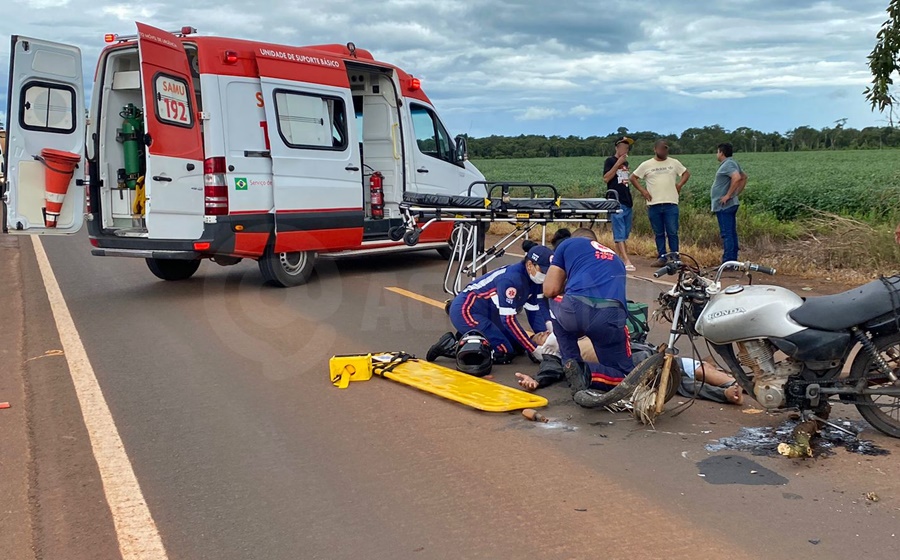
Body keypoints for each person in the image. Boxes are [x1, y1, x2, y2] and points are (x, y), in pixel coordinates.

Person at [541, 228, 634, 406]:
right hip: (613, 317)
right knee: (624, 375)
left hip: (577, 310)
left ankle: (573, 364)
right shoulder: (615, 257)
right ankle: (594, 374)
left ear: (574, 238)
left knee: (554, 300)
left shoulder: (567, 244)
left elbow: (550, 289)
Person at [427, 245, 553, 365]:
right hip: (467, 310)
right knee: (504, 351)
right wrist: (534, 349)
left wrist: (549, 335)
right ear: (530, 265)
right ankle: (450, 346)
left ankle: (472, 336)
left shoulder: (534, 280)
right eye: (544, 270)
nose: (547, 275)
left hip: (488, 313)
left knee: (519, 346)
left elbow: (535, 312)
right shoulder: (512, 280)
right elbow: (508, 320)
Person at [630, 140, 691, 267]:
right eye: (661, 149)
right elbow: (633, 177)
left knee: (672, 232)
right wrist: (643, 191)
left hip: (671, 204)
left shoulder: (674, 162)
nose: (664, 151)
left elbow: (686, 173)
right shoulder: (647, 164)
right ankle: (662, 257)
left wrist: (679, 185)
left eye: (666, 149)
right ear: (655, 149)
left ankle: (675, 258)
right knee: (659, 233)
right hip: (654, 204)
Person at [602, 137, 636, 271]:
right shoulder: (610, 161)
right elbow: (606, 179)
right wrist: (617, 164)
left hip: (626, 199)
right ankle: (626, 260)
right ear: (617, 148)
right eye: (622, 147)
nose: (625, 150)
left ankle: (617, 259)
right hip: (615, 201)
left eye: (627, 148)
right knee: (619, 232)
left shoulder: (625, 163)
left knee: (625, 233)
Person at [710, 143, 747, 263]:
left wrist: (729, 195)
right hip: (729, 204)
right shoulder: (732, 163)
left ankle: (728, 261)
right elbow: (744, 177)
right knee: (731, 232)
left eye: (717, 152)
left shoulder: (728, 164)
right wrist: (736, 193)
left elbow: (737, 178)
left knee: (727, 234)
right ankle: (733, 260)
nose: (717, 154)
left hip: (724, 206)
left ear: (721, 152)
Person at [677, 357, 743, 405]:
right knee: (686, 384)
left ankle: (740, 383)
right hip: (672, 375)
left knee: (701, 372)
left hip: (677, 363)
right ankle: (726, 394)